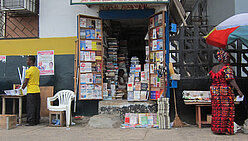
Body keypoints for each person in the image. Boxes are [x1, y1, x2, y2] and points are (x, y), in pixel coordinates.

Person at [209, 50, 243, 135]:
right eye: (228, 58)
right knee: (226, 110)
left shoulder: (214, 68)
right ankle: (225, 129)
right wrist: (238, 90)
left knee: (217, 110)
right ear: (225, 58)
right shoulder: (227, 68)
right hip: (224, 92)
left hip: (215, 91)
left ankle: (217, 129)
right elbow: (230, 79)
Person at [22, 56, 41, 126]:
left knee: (30, 107)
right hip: (37, 90)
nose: (27, 62)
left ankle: (31, 121)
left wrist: (22, 88)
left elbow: (26, 81)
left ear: (31, 61)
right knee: (36, 106)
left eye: (28, 60)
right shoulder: (37, 70)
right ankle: (37, 120)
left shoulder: (29, 71)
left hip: (31, 91)